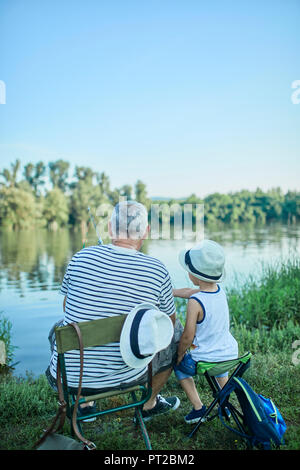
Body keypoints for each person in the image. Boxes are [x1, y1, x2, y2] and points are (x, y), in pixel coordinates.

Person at [46, 200, 182, 422]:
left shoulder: (80, 258)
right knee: (175, 330)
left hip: (71, 377)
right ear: (146, 232)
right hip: (131, 374)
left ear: (109, 229)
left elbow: (66, 307)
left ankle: (84, 403)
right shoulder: (157, 270)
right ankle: (149, 403)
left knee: (60, 327)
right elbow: (168, 322)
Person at [173, 239, 238, 424]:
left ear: (195, 276)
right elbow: (191, 292)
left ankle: (198, 408)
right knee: (218, 364)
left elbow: (188, 336)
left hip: (206, 361)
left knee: (178, 366)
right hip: (229, 357)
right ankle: (225, 405)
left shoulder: (196, 302)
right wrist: (172, 291)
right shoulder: (219, 291)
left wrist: (180, 354)